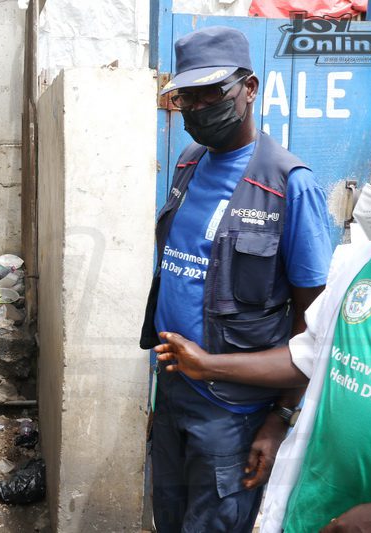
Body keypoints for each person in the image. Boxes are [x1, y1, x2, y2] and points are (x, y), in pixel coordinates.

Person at [156, 110, 371, 532]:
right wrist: (209, 367)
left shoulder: (287, 183)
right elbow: (309, 354)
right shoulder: (361, 260)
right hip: (315, 504)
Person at [139, 26, 333, 532]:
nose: (199, 108)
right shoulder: (187, 164)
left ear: (249, 87)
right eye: (187, 97)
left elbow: (313, 325)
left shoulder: (290, 185)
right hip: (174, 391)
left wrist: (280, 419)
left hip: (234, 413)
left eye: (213, 93)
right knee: (170, 518)